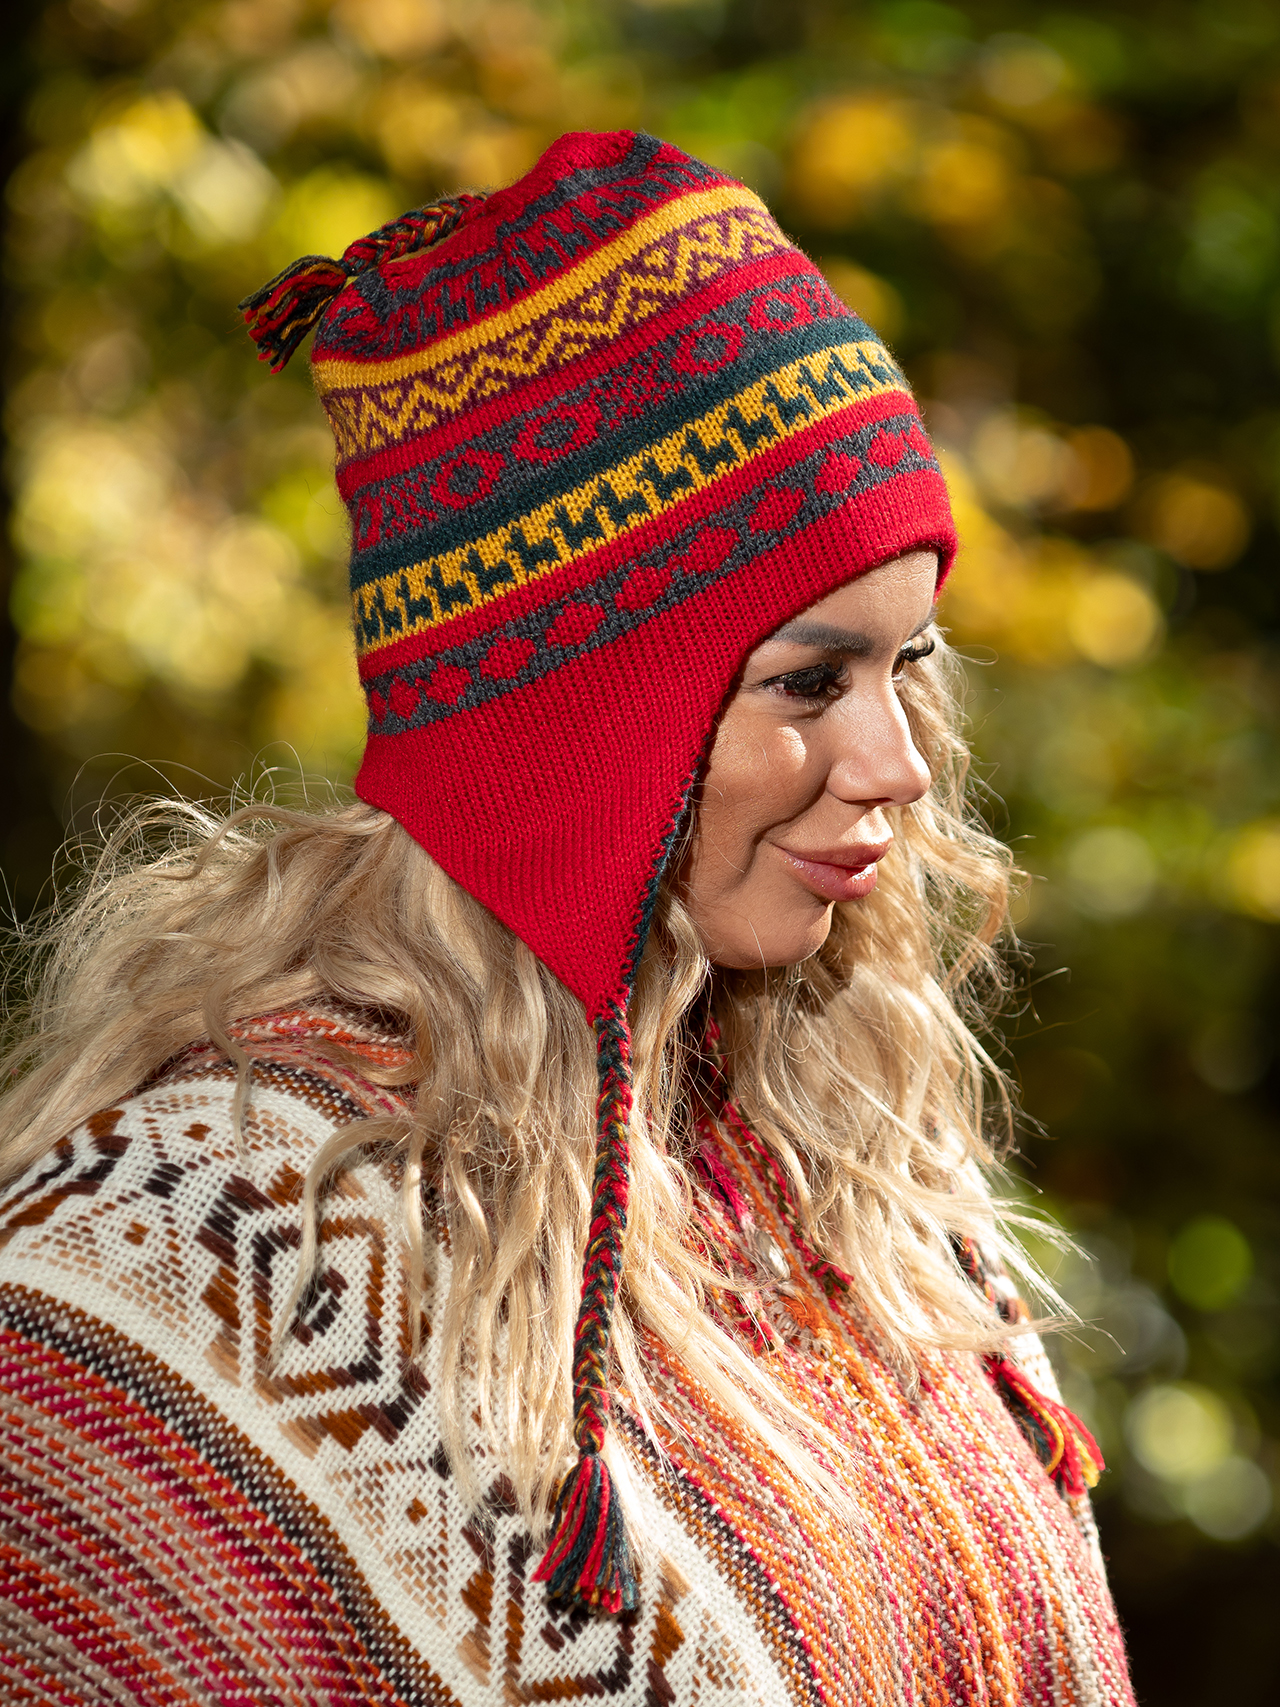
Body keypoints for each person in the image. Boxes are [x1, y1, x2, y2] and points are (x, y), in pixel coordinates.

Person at [0, 130, 1133, 1705]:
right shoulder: (193, 1254)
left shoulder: (849, 1197)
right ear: (580, 724)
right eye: (810, 681)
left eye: (908, 667)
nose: (896, 763)